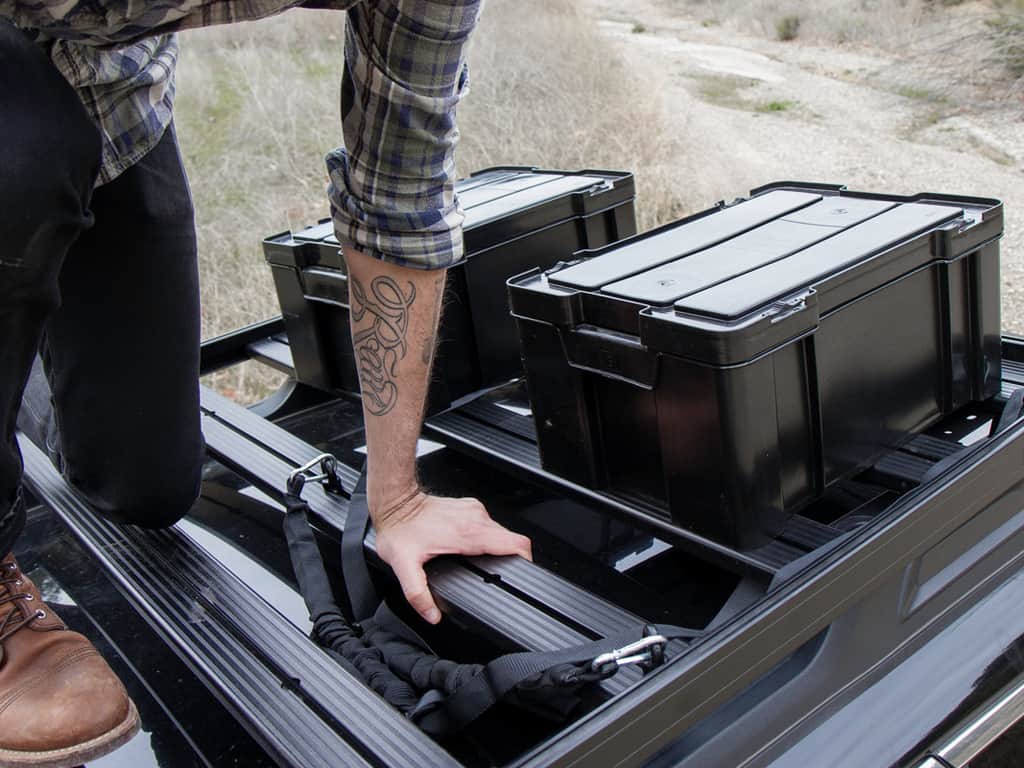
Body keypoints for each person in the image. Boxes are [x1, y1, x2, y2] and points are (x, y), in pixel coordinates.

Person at [0, 1, 533, 765]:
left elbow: (400, 194)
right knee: (22, 151)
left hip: (114, 102)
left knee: (146, 489)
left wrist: (397, 497)